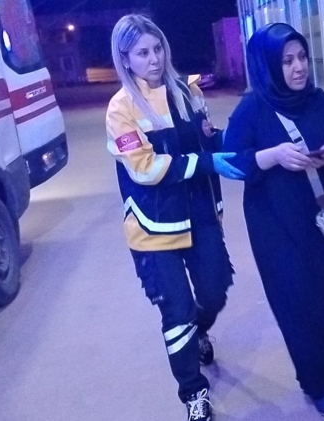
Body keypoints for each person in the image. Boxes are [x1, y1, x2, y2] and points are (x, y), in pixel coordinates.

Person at [106, 14, 244, 421]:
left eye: (158, 49)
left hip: (200, 215)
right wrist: (207, 163)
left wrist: (239, 141)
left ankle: (197, 331)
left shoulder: (188, 92)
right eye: (142, 53)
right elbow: (145, 169)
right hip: (153, 228)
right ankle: (193, 393)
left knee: (215, 292)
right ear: (125, 59)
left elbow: (208, 138)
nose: (154, 59)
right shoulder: (120, 109)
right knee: (177, 312)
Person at [223, 23, 324, 420]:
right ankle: (318, 384)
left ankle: (313, 357)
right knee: (296, 300)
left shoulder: (317, 100)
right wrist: (274, 155)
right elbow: (230, 162)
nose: (299, 67)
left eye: (302, 58)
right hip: (272, 222)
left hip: (315, 215)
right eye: (287, 61)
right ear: (269, 66)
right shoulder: (253, 107)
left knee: (318, 289)